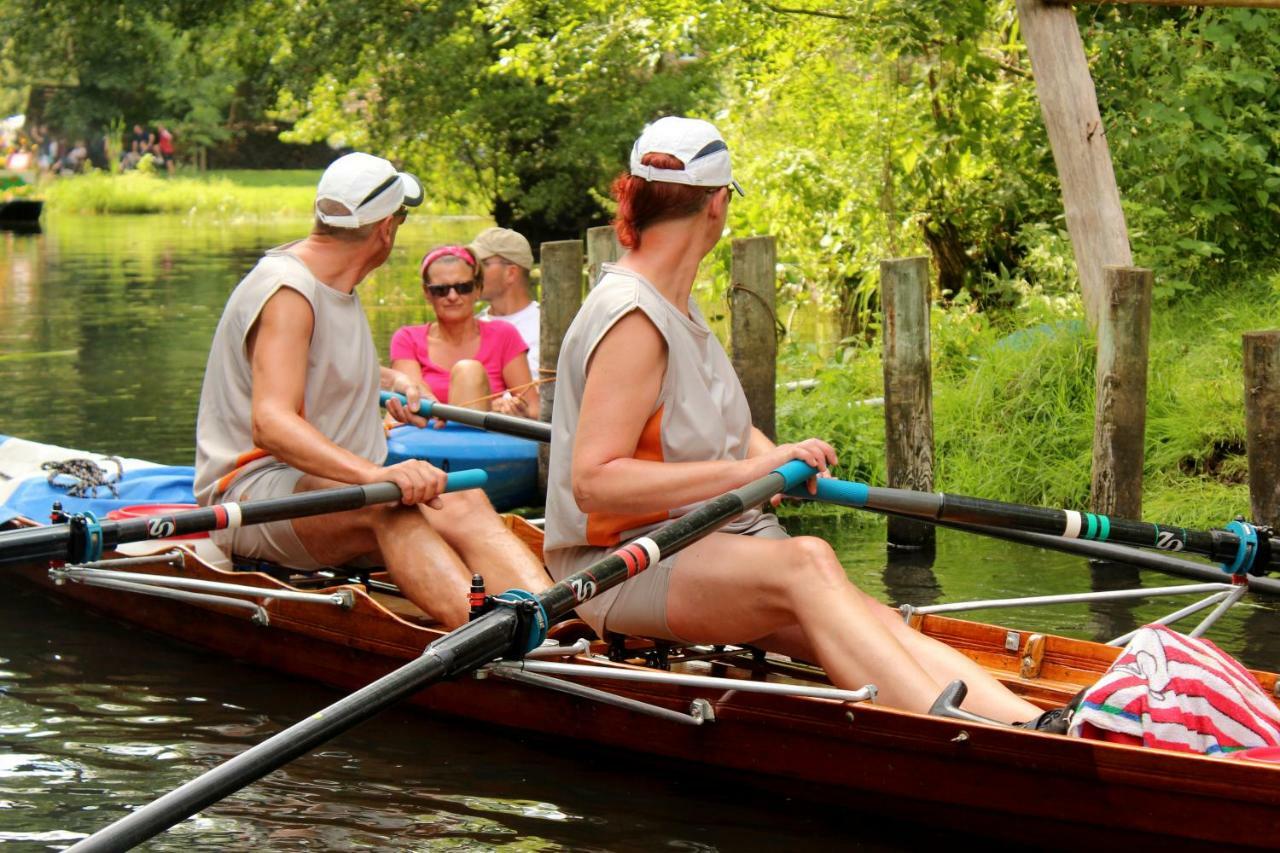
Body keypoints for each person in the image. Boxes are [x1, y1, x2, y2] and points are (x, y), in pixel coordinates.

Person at [543, 116, 1056, 726]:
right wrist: (754, 469)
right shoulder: (633, 318)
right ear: (718, 203)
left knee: (875, 623)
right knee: (809, 561)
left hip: (715, 544)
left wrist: (780, 454)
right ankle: (952, 732)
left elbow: (714, 428)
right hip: (621, 564)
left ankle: (1036, 724)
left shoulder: (673, 300)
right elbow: (595, 483)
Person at [194, 153, 549, 628]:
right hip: (254, 495)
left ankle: (554, 621)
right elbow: (271, 423)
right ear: (385, 228)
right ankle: (486, 637)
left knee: (462, 498)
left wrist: (393, 381)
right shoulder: (288, 291)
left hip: (325, 486)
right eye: (401, 219)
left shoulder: (332, 282)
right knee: (387, 504)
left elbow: (312, 360)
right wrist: (374, 475)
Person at [389, 245, 540, 419]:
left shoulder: (504, 335)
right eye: (441, 290)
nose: (452, 296)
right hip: (425, 437)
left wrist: (514, 409)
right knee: (468, 371)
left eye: (463, 288)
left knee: (469, 371)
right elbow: (411, 398)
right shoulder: (408, 339)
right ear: (427, 293)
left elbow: (533, 409)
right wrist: (485, 407)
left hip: (487, 440)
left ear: (477, 289)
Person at [470, 227, 540, 377]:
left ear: (511, 273)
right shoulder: (471, 325)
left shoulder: (547, 328)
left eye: (482, 264)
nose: (472, 272)